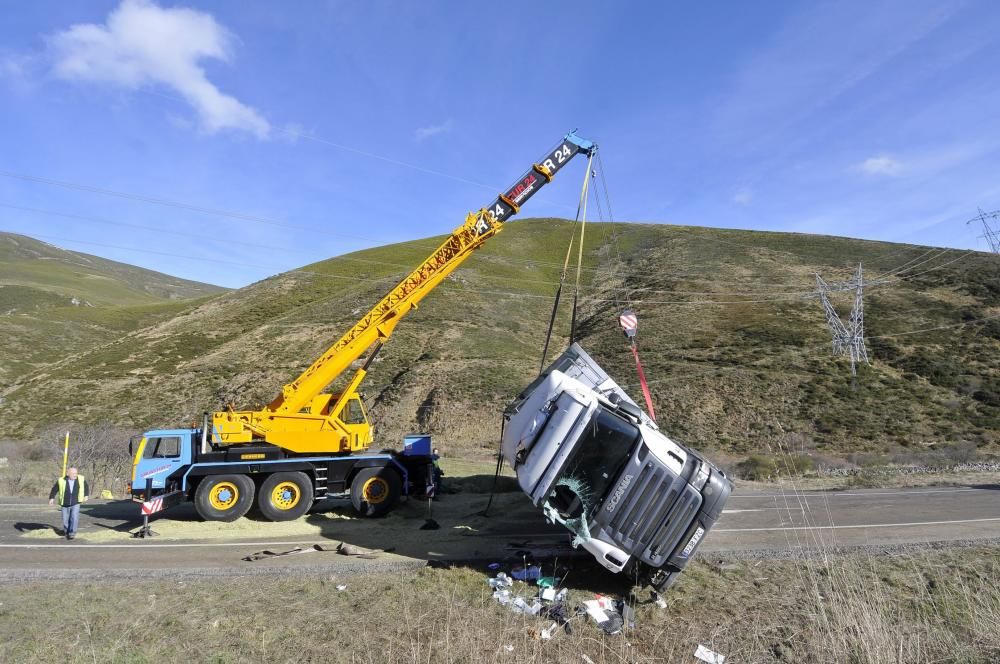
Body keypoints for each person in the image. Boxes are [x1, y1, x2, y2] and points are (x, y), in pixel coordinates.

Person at [48, 467, 89, 540]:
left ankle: (72, 533)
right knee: (65, 519)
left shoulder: (81, 479)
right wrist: (52, 498)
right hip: (64, 503)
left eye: (76, 473)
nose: (75, 475)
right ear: (67, 474)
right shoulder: (61, 480)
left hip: (76, 502)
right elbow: (54, 489)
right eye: (73, 473)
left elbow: (86, 487)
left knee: (74, 517)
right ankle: (66, 531)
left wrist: (86, 495)